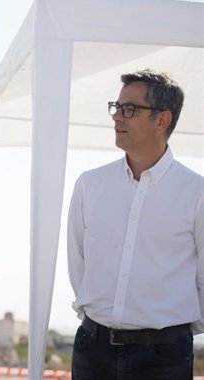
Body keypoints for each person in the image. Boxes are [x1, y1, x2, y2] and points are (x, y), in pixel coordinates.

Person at [67, 69, 204, 379]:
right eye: (116, 107)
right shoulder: (89, 185)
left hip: (163, 358)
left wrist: (170, 333)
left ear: (162, 120)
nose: (117, 117)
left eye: (129, 109)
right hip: (92, 350)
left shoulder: (197, 193)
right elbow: (79, 268)